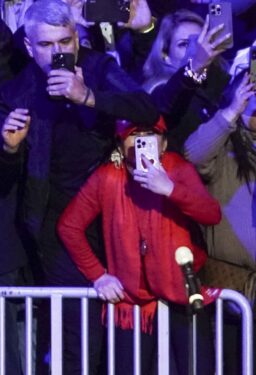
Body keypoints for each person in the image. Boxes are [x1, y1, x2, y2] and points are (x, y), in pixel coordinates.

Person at [0, 1, 159, 372]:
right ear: (28, 47)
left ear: (76, 38)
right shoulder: (16, 91)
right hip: (56, 228)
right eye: (46, 45)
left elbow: (147, 108)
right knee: (74, 339)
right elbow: (6, 183)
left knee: (122, 340)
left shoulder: (97, 67)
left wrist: (88, 96)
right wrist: (8, 149)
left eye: (65, 42)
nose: (58, 53)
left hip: (116, 218)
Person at [56, 118, 221, 374]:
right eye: (135, 136)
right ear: (121, 146)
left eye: (151, 134)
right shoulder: (108, 176)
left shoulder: (178, 169)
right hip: (131, 301)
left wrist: (170, 189)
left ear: (164, 143)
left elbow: (212, 214)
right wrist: (98, 276)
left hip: (182, 293)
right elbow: (69, 226)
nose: (143, 142)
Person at [183, 70, 256, 374]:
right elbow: (192, 154)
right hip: (227, 286)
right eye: (249, 93)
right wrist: (231, 111)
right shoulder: (223, 147)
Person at [142, 9, 231, 152]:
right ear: (166, 55)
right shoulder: (157, 88)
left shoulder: (223, 83)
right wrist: (195, 66)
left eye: (200, 42)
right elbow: (165, 107)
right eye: (184, 44)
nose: (195, 50)